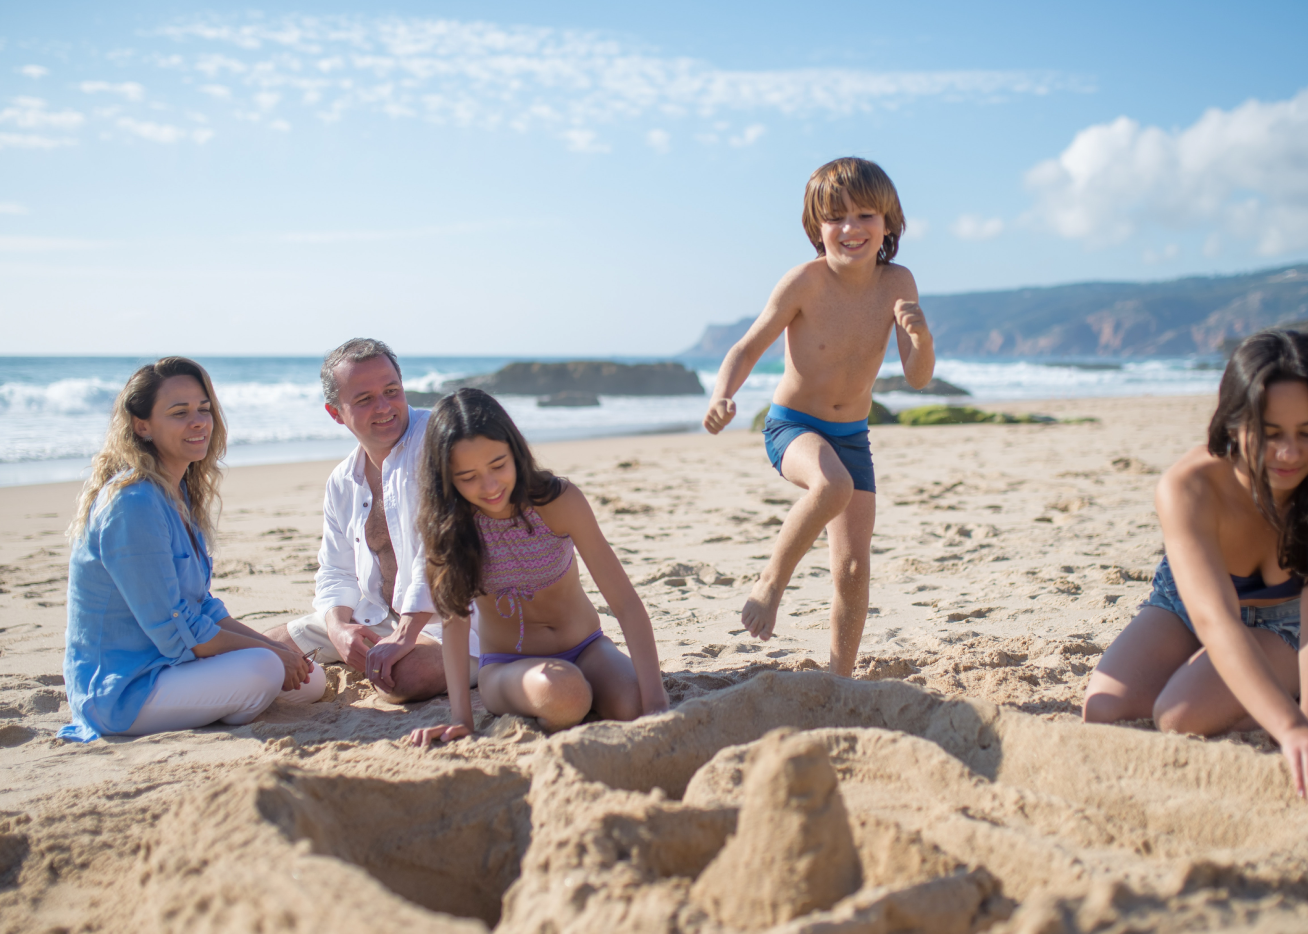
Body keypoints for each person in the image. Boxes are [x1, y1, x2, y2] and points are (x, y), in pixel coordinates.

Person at [1082, 330, 1308, 806]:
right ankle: (1259, 692)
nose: (1290, 454)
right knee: (1106, 710)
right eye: (1271, 433)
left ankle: (1285, 687)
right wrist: (1290, 726)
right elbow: (1213, 619)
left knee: (1178, 716)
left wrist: (1307, 730)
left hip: (1288, 623)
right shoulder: (1187, 485)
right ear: (1233, 423)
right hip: (1189, 605)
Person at [701, 156, 935, 676]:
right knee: (831, 485)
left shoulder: (898, 282)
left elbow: (917, 377)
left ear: (888, 224)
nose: (851, 229)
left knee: (853, 567)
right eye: (836, 217)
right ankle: (770, 582)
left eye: (865, 216)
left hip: (852, 434)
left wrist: (921, 338)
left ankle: (839, 678)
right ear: (816, 227)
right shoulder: (804, 282)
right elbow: (747, 346)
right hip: (793, 426)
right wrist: (722, 394)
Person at [62, 357, 324, 741]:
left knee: (310, 678)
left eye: (204, 409)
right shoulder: (132, 504)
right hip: (125, 692)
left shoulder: (177, 492)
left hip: (174, 669)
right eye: (179, 412)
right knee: (265, 669)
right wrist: (272, 657)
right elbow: (179, 632)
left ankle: (230, 700)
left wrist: (279, 650)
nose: (199, 421)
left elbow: (203, 607)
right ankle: (230, 704)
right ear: (142, 426)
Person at [406, 389, 668, 746]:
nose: (490, 485)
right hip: (506, 668)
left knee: (634, 704)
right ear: (447, 478)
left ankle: (586, 700)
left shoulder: (559, 501)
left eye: (498, 465)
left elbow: (625, 603)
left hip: (587, 648)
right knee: (567, 694)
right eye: (468, 477)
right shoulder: (450, 529)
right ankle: (569, 702)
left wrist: (656, 704)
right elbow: (455, 625)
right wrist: (461, 719)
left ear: (515, 450)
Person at [263, 338, 478, 702]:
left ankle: (479, 665)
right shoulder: (343, 480)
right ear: (335, 413)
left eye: (392, 391)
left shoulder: (442, 442)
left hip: (456, 622)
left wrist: (406, 635)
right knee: (265, 651)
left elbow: (445, 551)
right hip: (378, 617)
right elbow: (335, 570)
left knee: (399, 678)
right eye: (364, 399)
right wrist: (338, 629)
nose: (385, 407)